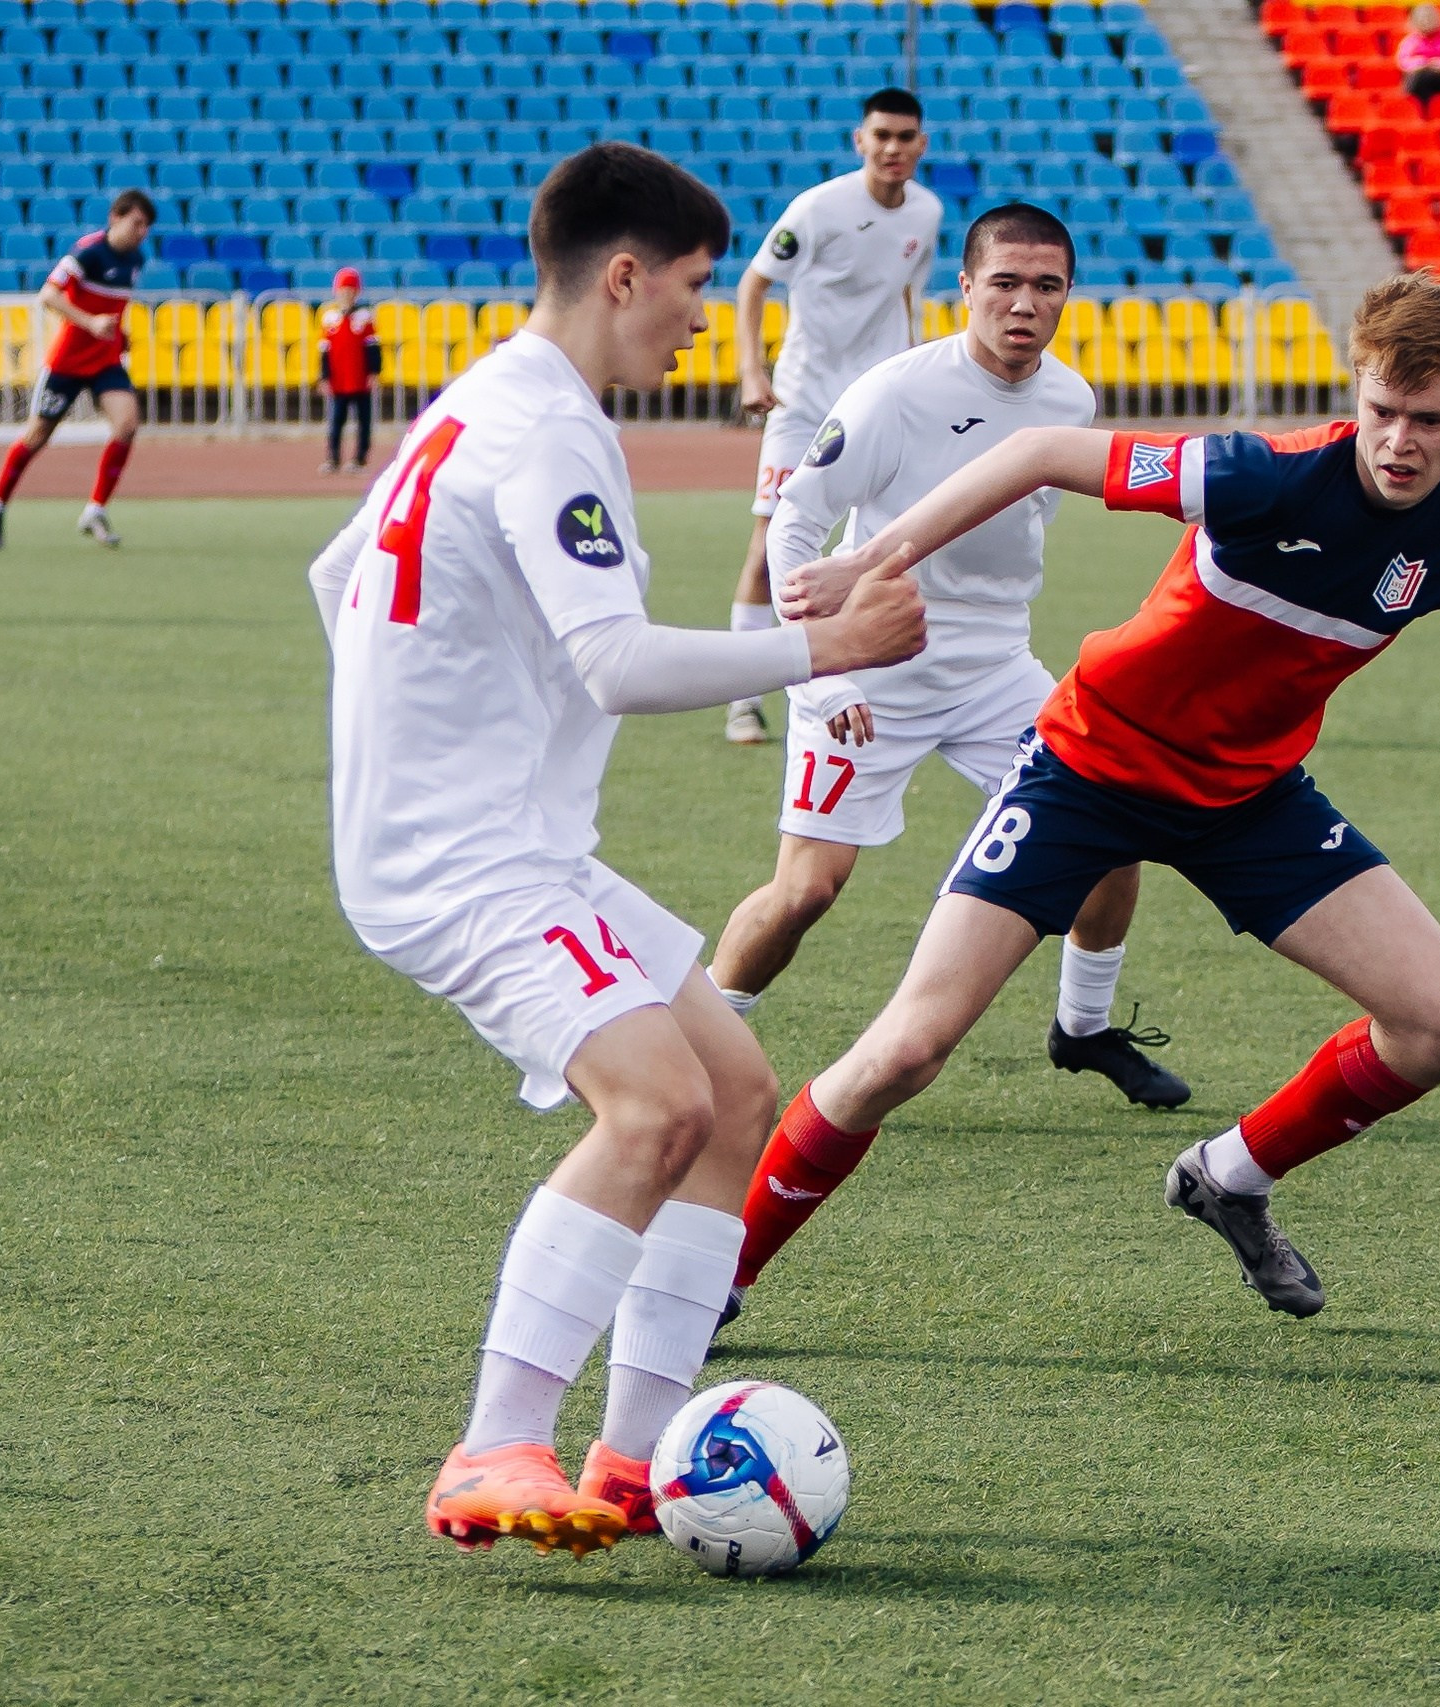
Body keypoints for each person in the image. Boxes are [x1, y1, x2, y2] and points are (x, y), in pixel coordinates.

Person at [730, 272, 1440, 1323]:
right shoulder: (1257, 475)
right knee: (902, 1052)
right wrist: (870, 557)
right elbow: (1038, 452)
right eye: (1381, 411)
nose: (1399, 442)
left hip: (1248, 800)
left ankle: (1229, 1174)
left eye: (1429, 420)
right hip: (1087, 767)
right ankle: (713, 1279)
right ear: (1353, 390)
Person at [302, 143, 924, 1559]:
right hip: (470, 858)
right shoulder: (548, 427)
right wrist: (830, 640)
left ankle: (635, 1464)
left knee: (734, 1087)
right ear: (626, 274)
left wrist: (421, 724)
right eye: (698, 286)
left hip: (512, 837)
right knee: (650, 1107)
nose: (709, 316)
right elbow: (616, 663)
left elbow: (337, 578)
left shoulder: (480, 400)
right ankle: (493, 1444)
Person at [706, 203, 1189, 1115]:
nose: (1024, 304)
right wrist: (827, 665)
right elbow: (799, 525)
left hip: (995, 665)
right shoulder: (894, 393)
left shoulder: (1070, 400)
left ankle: (1082, 1029)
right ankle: (702, 1041)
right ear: (964, 288)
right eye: (1004, 282)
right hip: (872, 663)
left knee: (1115, 835)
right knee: (808, 889)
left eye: (1046, 286)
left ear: (1067, 297)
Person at [723, 87, 941, 745]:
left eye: (906, 137)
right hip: (802, 403)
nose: (893, 148)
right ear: (860, 141)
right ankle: (743, 694)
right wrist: (751, 371)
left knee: (874, 546)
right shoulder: (817, 210)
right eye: (882, 136)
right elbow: (753, 283)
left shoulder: (926, 213)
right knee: (770, 549)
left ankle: (844, 680)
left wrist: (910, 371)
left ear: (921, 144)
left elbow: (905, 295)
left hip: (874, 403)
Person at [0, 190, 155, 551]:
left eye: (146, 226)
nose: (142, 232)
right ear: (115, 217)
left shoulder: (137, 259)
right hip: (69, 361)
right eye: (137, 223)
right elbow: (48, 296)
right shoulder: (87, 253)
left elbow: (113, 306)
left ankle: (95, 509)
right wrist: (90, 323)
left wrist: (118, 335)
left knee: (127, 423)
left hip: (105, 360)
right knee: (37, 435)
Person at [315, 266, 381, 476]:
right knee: (336, 421)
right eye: (342, 290)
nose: (346, 294)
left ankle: (359, 459)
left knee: (363, 421)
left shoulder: (364, 317)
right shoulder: (329, 318)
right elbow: (324, 352)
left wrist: (374, 372)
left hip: (360, 379)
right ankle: (333, 458)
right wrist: (324, 377)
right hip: (339, 381)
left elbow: (373, 348)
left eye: (350, 290)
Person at [1395, 5, 1440, 110]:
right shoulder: (1411, 41)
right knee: (1419, 77)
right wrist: (1419, 63)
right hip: (1418, 81)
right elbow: (1403, 61)